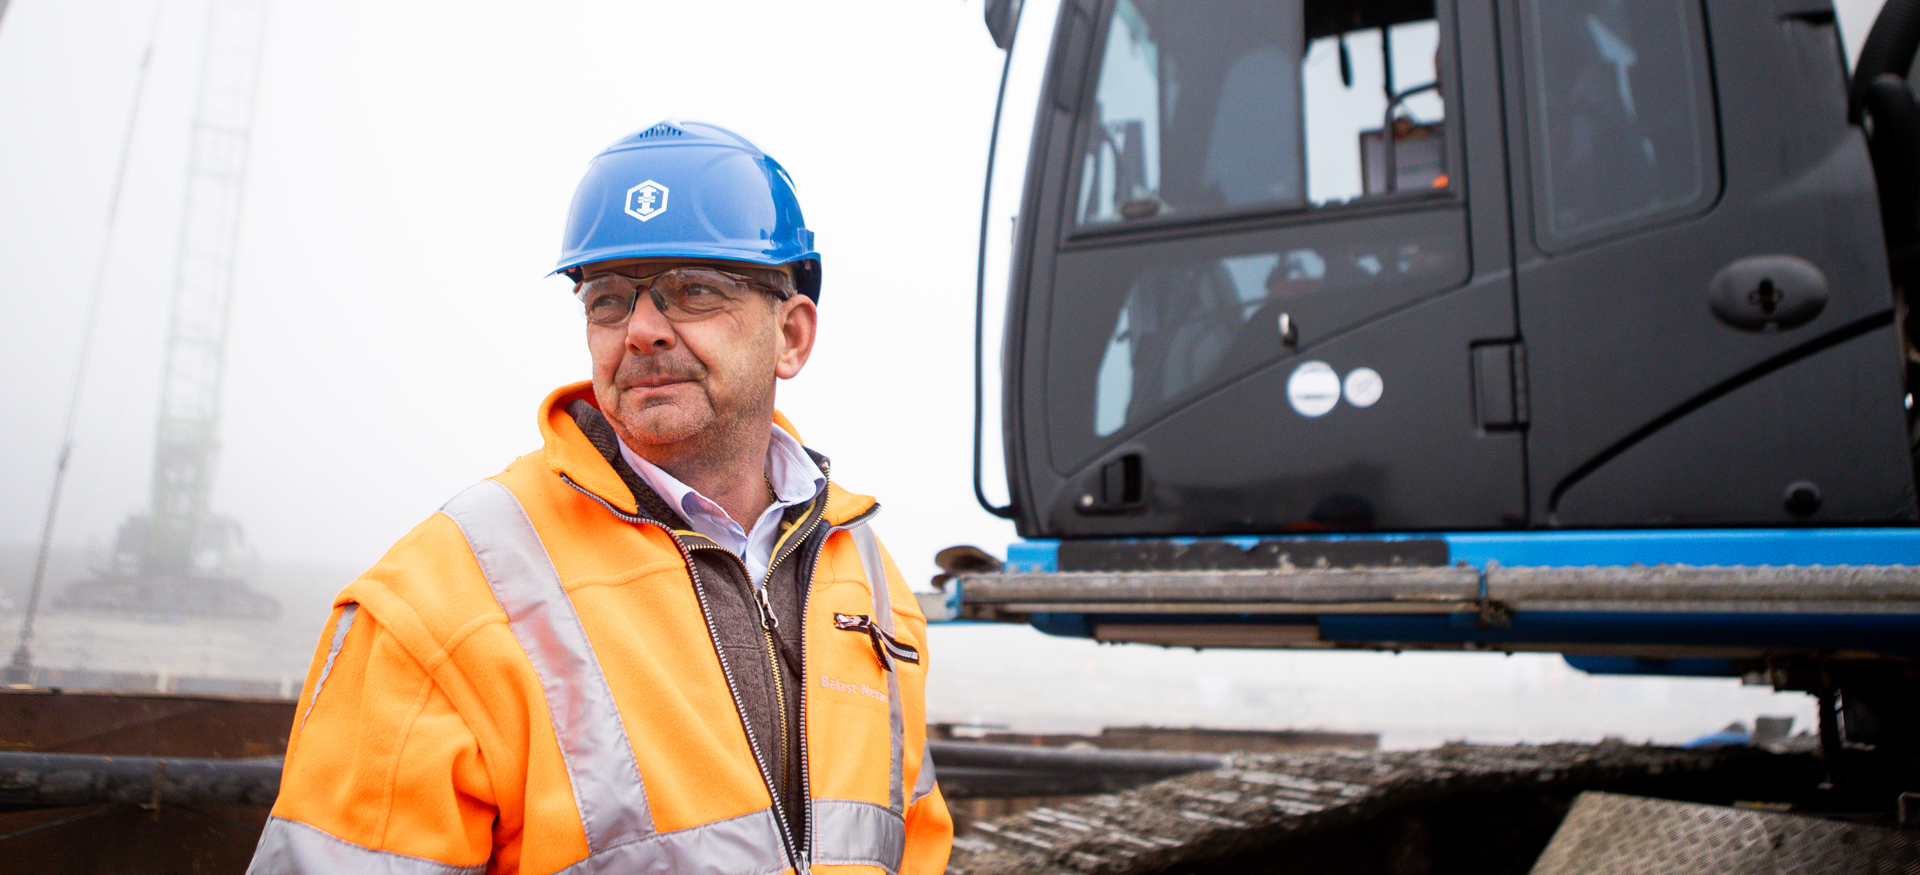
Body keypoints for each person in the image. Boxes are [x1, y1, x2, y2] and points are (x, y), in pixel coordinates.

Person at [246, 121, 952, 875]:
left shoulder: (867, 581)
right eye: (609, 300)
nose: (642, 330)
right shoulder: (438, 603)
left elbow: (911, 845)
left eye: (693, 290)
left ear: (792, 336)